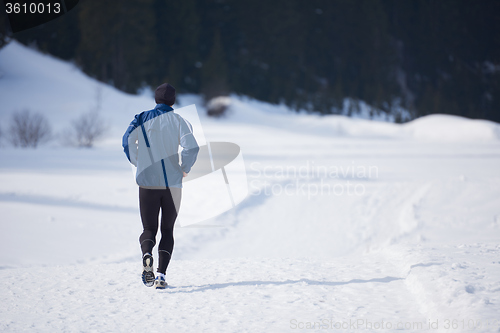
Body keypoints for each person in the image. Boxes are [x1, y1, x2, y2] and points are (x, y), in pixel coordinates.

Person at [122, 83, 199, 289]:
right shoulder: (180, 121)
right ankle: (161, 276)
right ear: (173, 101)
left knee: (149, 228)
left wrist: (138, 162)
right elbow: (191, 147)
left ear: (156, 99)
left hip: (148, 182)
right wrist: (185, 168)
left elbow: (126, 141)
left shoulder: (141, 118)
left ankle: (147, 254)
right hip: (172, 184)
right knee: (167, 230)